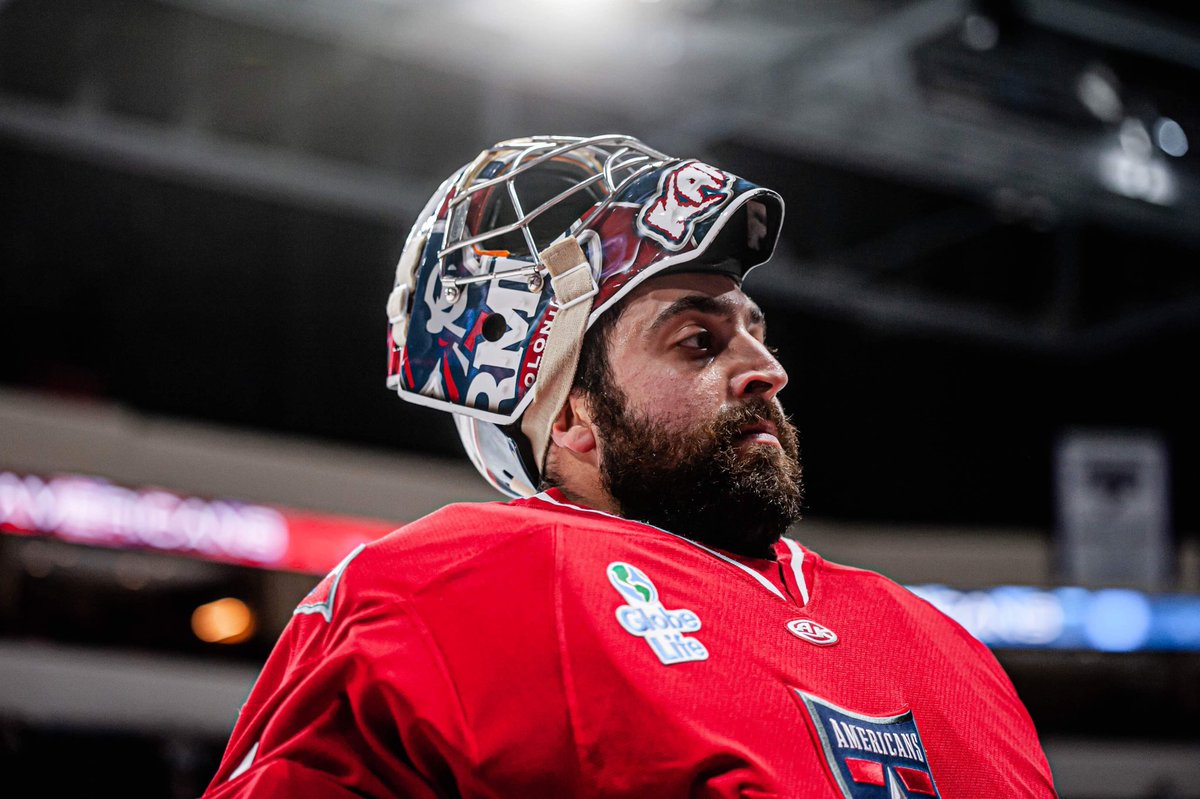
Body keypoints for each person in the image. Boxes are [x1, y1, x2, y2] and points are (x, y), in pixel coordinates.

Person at [202, 135, 1058, 798]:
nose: (767, 368)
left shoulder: (943, 643)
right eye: (699, 341)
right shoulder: (446, 589)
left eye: (758, 330)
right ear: (571, 412)